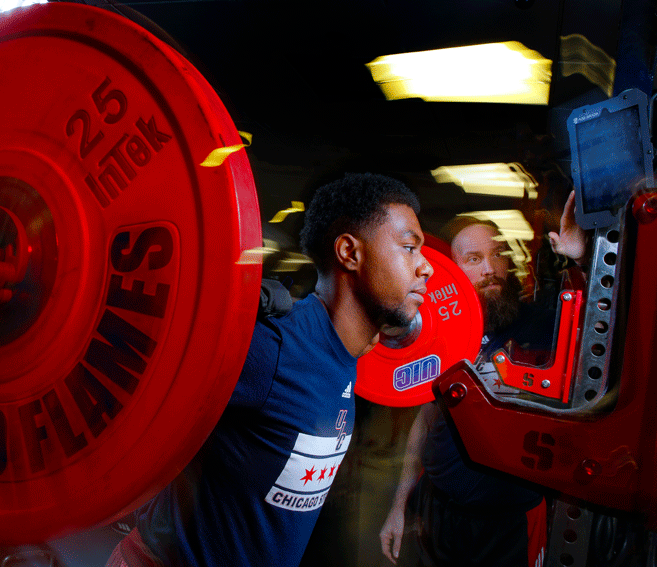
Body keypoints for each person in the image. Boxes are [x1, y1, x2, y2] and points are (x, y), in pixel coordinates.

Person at [107, 172, 434, 567]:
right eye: (409, 248)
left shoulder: (349, 353)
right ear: (350, 253)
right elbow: (139, 382)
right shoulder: (273, 349)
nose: (427, 267)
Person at [378, 193, 585, 567]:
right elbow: (426, 418)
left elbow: (605, 326)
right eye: (474, 259)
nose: (489, 268)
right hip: (437, 512)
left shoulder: (541, 324)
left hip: (509, 523)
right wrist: (399, 505)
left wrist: (579, 259)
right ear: (454, 272)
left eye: (497, 255)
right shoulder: (440, 337)